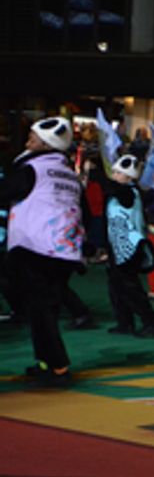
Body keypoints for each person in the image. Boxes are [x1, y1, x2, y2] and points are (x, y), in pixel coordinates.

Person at [0, 117, 84, 387]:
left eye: (32, 137)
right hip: (64, 250)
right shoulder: (69, 174)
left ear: (46, 144)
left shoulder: (33, 169)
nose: (27, 142)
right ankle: (47, 362)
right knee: (46, 308)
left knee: (39, 309)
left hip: (35, 247)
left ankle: (58, 367)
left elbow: (5, 192)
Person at [103, 153, 154, 337]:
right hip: (120, 245)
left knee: (129, 287)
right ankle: (125, 322)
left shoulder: (129, 192)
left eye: (118, 173)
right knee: (117, 286)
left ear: (129, 177)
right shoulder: (124, 192)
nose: (114, 176)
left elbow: (113, 188)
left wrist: (96, 172)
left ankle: (152, 322)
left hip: (130, 246)